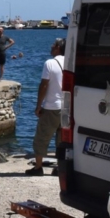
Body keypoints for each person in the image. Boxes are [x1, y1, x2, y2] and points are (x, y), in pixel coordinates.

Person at [26, 37, 66, 176]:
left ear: (58, 48)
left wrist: (38, 105)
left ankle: (38, 167)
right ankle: (60, 167)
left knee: (42, 137)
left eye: (54, 44)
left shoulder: (50, 63)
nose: (51, 46)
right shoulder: (70, 62)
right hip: (66, 107)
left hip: (52, 106)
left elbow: (44, 85)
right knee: (62, 140)